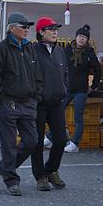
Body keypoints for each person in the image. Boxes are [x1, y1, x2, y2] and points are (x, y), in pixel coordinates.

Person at [0, 13, 43, 196]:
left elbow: (37, 75)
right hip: (8, 102)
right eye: (23, 26)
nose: (27, 29)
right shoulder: (1, 49)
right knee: (9, 144)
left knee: (32, 140)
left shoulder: (29, 49)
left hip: (28, 103)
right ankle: (11, 179)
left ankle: (5, 166)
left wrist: (36, 97)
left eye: (28, 26)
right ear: (11, 28)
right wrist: (1, 101)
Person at [31, 17, 69, 191]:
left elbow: (65, 73)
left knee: (61, 139)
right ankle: (40, 176)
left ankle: (51, 169)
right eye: (50, 29)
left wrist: (64, 89)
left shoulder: (60, 51)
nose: (55, 32)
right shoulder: (32, 50)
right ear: (41, 32)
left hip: (57, 102)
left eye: (56, 29)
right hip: (39, 103)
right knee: (37, 141)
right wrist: (35, 95)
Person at [61, 24, 100, 153]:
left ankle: (74, 143)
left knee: (78, 117)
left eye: (84, 37)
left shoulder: (89, 53)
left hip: (81, 90)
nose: (81, 39)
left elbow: (98, 70)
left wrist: (93, 85)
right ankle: (53, 136)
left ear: (87, 40)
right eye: (79, 36)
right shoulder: (67, 50)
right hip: (66, 88)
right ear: (75, 37)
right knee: (57, 112)